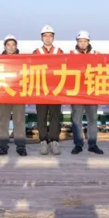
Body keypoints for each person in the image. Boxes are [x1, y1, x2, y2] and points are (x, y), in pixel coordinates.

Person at [70, 31, 103, 155]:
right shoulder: (71, 55)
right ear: (77, 42)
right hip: (77, 93)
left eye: (85, 41)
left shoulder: (96, 55)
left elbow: (107, 64)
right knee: (76, 120)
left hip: (91, 93)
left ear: (88, 42)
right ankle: (78, 144)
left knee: (93, 119)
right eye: (80, 41)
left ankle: (92, 144)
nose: (83, 43)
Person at [34, 25, 65, 155]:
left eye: (50, 36)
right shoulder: (36, 52)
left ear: (53, 38)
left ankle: (54, 141)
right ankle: (43, 141)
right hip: (41, 91)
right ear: (42, 38)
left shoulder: (59, 51)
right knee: (41, 117)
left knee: (55, 117)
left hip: (55, 90)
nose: (48, 38)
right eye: (45, 36)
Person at [0, 35, 27, 156]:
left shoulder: (22, 60)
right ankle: (3, 146)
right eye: (8, 44)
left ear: (16, 46)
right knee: (2, 121)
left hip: (18, 94)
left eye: (13, 44)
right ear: (5, 46)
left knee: (19, 120)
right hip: (3, 94)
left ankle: (20, 146)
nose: (11, 47)